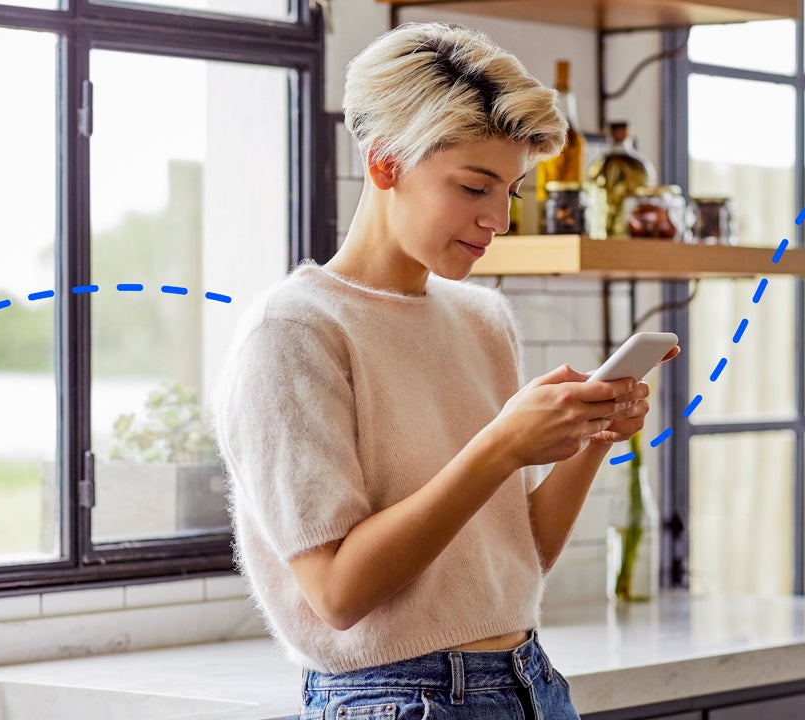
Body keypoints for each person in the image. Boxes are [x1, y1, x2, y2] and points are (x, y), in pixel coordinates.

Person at [212, 21, 678, 719]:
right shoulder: (294, 334)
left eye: (511, 193)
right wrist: (501, 446)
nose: (497, 218)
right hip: (396, 700)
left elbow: (514, 562)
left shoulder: (481, 320)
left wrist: (591, 436)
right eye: (473, 186)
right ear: (384, 164)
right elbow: (338, 593)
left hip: (530, 682)